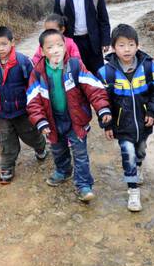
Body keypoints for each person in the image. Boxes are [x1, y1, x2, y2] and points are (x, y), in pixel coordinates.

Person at [27, 28, 112, 203]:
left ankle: (83, 185)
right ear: (42, 51)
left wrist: (102, 108)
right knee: (58, 149)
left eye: (59, 45)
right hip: (52, 120)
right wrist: (41, 121)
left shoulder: (74, 65)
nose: (56, 49)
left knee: (80, 153)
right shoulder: (38, 72)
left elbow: (93, 87)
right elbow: (32, 99)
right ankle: (63, 171)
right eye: (50, 47)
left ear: (65, 46)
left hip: (76, 119)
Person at [97, 23, 154, 213]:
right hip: (122, 125)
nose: (126, 49)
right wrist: (108, 124)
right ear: (113, 47)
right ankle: (133, 191)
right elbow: (102, 101)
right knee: (128, 154)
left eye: (130, 44)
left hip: (144, 123)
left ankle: (139, 165)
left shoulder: (150, 67)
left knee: (140, 151)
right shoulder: (106, 73)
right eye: (121, 45)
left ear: (138, 45)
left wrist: (152, 111)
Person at [0, 25, 49, 184]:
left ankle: (40, 147)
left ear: (12, 43)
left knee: (31, 135)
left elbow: (33, 87)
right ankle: (7, 166)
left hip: (22, 111)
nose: (1, 48)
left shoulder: (23, 62)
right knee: (6, 141)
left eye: (4, 44)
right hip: (2, 113)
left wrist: (37, 108)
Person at [52, 0, 111, 74]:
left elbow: (103, 18)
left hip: (93, 41)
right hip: (72, 42)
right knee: (77, 73)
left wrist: (105, 40)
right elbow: (57, 23)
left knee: (98, 73)